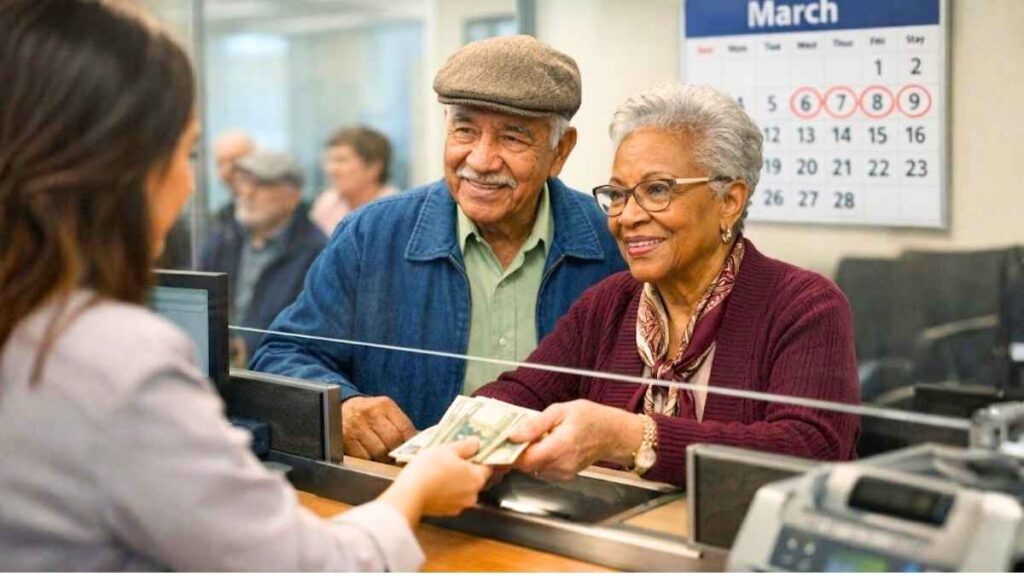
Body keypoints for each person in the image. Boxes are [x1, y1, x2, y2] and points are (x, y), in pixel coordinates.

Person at [0, 1, 490, 570]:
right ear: (117, 164)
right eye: (184, 154)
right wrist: (416, 490)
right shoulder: (116, 361)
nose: (191, 187)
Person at [251, 35, 627, 461]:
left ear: (560, 150)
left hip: (564, 502)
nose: (481, 160)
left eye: (513, 138)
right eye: (465, 130)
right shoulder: (372, 235)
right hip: (410, 495)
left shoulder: (611, 243)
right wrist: (343, 406)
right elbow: (283, 353)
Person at [475, 84, 860, 488]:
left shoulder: (804, 305)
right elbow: (523, 392)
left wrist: (631, 436)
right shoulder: (609, 302)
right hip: (619, 540)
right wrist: (449, 437)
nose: (628, 216)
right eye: (618, 194)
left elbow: (812, 449)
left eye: (657, 190)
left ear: (729, 200)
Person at [198, 149, 327, 365]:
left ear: (292, 197)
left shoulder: (316, 252)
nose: (246, 193)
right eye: (242, 183)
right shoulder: (224, 237)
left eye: (262, 185)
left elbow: (308, 333)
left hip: (276, 373)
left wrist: (248, 346)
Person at [310, 126, 397, 236]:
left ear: (373, 168)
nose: (331, 170)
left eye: (341, 160)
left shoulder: (396, 211)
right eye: (329, 160)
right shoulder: (326, 203)